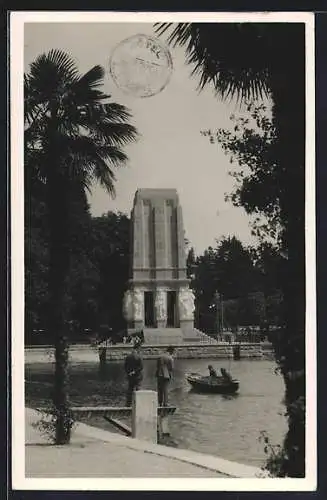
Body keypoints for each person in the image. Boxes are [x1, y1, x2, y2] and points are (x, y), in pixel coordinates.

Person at [124, 340, 144, 406]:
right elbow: (141, 367)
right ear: (138, 348)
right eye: (140, 348)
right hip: (138, 376)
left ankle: (128, 404)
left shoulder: (128, 356)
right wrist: (134, 372)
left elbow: (125, 366)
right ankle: (138, 404)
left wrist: (129, 373)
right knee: (138, 390)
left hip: (130, 376)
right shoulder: (139, 356)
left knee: (130, 390)